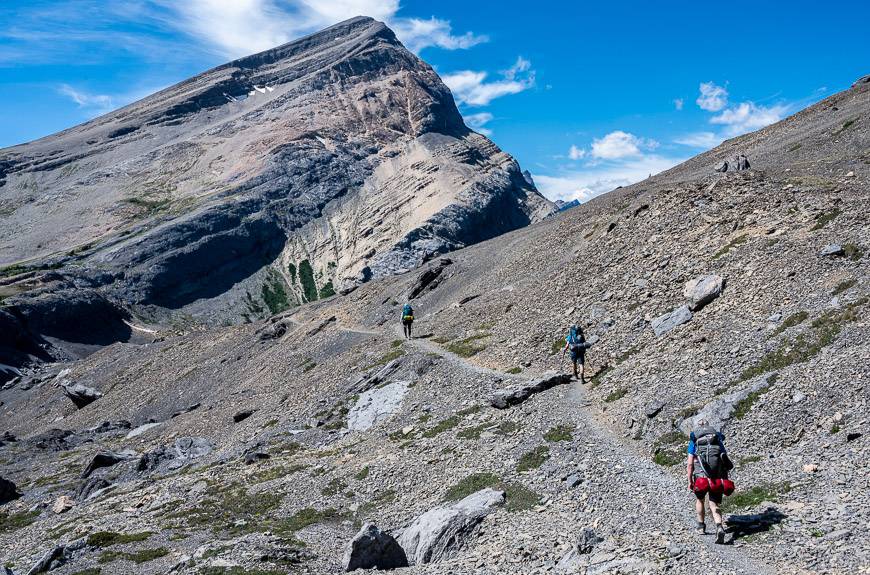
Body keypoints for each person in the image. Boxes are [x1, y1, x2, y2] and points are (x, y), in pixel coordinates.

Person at [687, 420, 734, 544]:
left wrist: (689, 480)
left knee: (700, 500)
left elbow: (690, 464)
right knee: (714, 504)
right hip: (717, 478)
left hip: (700, 478)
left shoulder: (694, 441)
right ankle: (719, 526)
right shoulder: (717, 439)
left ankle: (701, 526)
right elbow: (724, 457)